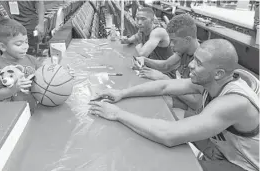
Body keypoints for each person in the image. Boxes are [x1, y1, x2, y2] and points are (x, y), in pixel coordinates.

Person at [89, 39, 259, 171]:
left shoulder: (234, 102)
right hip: (230, 153)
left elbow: (169, 135)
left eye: (199, 63)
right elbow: (164, 86)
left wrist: (118, 114)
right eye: (194, 59)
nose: (191, 64)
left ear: (218, 73)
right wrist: (121, 93)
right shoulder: (210, 81)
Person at [134, 14, 201, 112]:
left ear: (187, 40)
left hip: (193, 111)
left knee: (154, 102)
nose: (171, 45)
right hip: (181, 97)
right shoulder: (183, 51)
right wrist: (145, 60)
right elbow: (166, 65)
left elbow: (196, 103)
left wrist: (164, 79)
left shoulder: (202, 62)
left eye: (174, 41)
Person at [0, 18, 42, 112]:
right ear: (2, 46)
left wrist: (63, 75)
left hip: (34, 107)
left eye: (26, 42)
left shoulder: (31, 59)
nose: (25, 47)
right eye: (18, 44)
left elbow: (46, 75)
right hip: (14, 113)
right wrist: (14, 88)